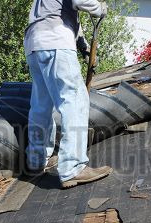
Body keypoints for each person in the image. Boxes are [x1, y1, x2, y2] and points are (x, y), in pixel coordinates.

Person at [24, 0, 112, 189]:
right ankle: (73, 167)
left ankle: (36, 160)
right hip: (55, 39)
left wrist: (83, 46)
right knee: (75, 101)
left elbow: (64, 13)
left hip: (34, 43)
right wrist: (99, 8)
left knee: (41, 105)